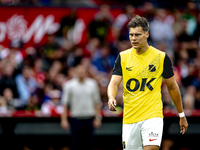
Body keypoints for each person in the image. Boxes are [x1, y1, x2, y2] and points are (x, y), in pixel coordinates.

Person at [107, 15, 188, 150]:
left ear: (147, 34)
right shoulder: (122, 57)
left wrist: (181, 115)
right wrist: (111, 97)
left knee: (151, 148)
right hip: (130, 118)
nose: (133, 38)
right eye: (131, 35)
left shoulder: (161, 57)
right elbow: (114, 83)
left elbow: (172, 87)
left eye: (137, 35)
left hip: (153, 116)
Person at [60, 65, 102, 150]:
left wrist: (98, 118)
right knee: (75, 145)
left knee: (89, 144)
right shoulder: (69, 85)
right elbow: (64, 104)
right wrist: (63, 120)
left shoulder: (92, 84)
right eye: (79, 72)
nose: (81, 74)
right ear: (76, 73)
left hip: (89, 119)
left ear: (86, 73)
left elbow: (96, 102)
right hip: (76, 119)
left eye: (83, 72)